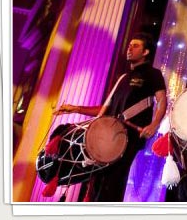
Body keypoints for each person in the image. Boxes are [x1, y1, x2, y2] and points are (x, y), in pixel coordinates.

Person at [54, 32, 167, 202]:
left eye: (135, 45)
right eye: (129, 45)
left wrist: (154, 125)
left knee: (113, 182)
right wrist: (75, 109)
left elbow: (162, 101)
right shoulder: (123, 78)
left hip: (128, 138)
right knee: (98, 182)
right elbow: (105, 111)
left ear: (146, 52)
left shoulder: (153, 74)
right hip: (108, 137)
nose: (129, 48)